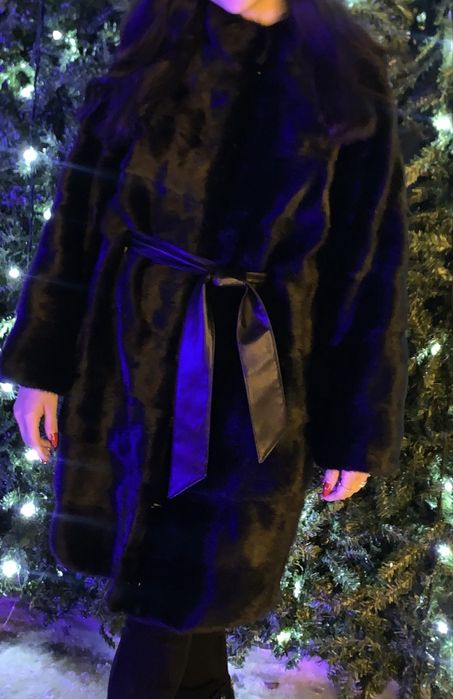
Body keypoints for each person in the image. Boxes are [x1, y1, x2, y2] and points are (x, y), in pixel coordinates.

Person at [0, 0, 409, 696]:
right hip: (127, 367)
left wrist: (355, 429)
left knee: (182, 604)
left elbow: (368, 266)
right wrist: (41, 367)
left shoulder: (346, 72)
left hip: (257, 380)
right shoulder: (158, 36)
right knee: (178, 611)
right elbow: (78, 212)